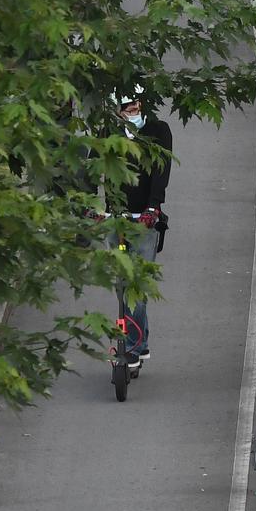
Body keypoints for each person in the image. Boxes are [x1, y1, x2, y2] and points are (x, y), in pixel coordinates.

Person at [109, 90, 171, 364]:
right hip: (117, 217)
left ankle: (133, 346)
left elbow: (162, 170)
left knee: (138, 285)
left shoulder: (159, 130)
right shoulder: (111, 133)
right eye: (125, 106)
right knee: (122, 284)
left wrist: (152, 207)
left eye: (133, 104)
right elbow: (100, 170)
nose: (131, 109)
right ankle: (141, 341)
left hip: (145, 219)